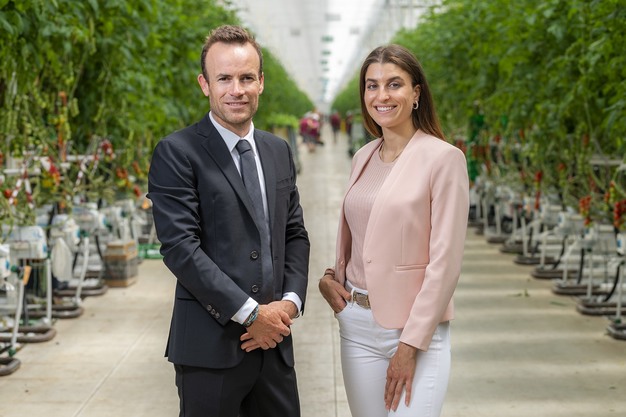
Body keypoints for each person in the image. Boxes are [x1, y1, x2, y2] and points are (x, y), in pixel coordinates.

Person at [148, 25, 310, 417]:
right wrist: (252, 314)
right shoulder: (177, 152)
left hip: (274, 345)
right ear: (205, 84)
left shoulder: (277, 150)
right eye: (224, 78)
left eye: (246, 78)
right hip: (210, 350)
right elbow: (181, 249)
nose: (236, 90)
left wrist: (288, 304)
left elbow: (294, 234)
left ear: (261, 82)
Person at [318, 44, 469, 417]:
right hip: (357, 324)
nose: (381, 95)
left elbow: (445, 264)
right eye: (372, 86)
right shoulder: (363, 156)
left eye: (394, 84)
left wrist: (410, 344)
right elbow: (363, 234)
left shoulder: (444, 159)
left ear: (416, 93)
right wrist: (331, 279)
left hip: (414, 331)